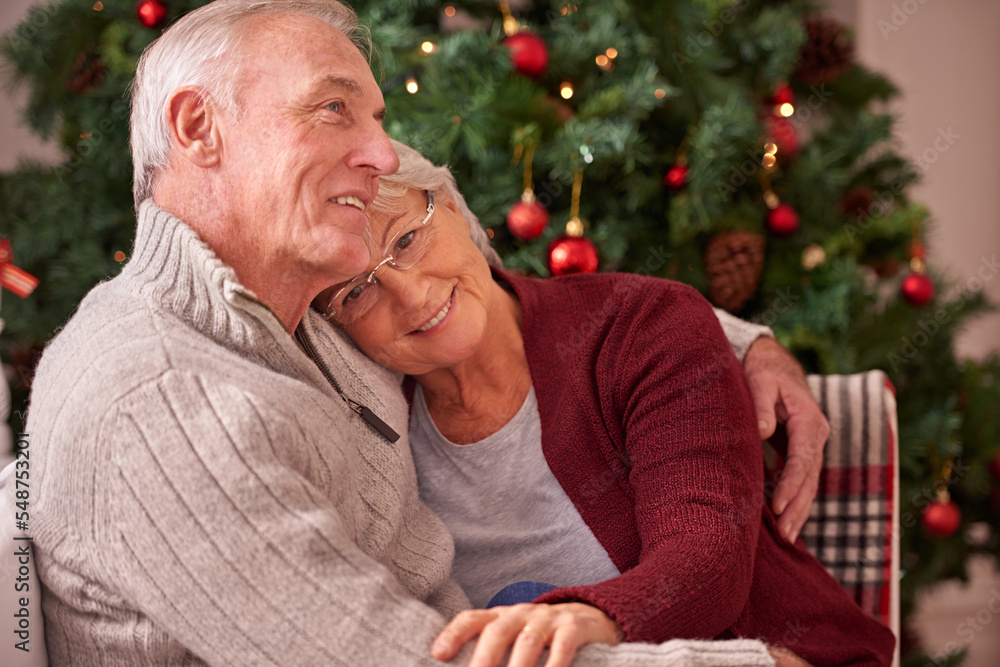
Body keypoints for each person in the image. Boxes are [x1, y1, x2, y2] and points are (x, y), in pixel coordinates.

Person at [21, 1, 807, 665]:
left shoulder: (300, 331)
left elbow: (519, 299)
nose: (380, 153)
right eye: (332, 108)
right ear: (199, 127)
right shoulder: (162, 396)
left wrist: (743, 342)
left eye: (375, 119)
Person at [322, 140, 897, 667]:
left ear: (447, 205)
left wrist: (586, 620)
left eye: (405, 239)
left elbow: (708, 556)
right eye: (356, 290)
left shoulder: (640, 325)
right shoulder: (363, 423)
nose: (408, 292)